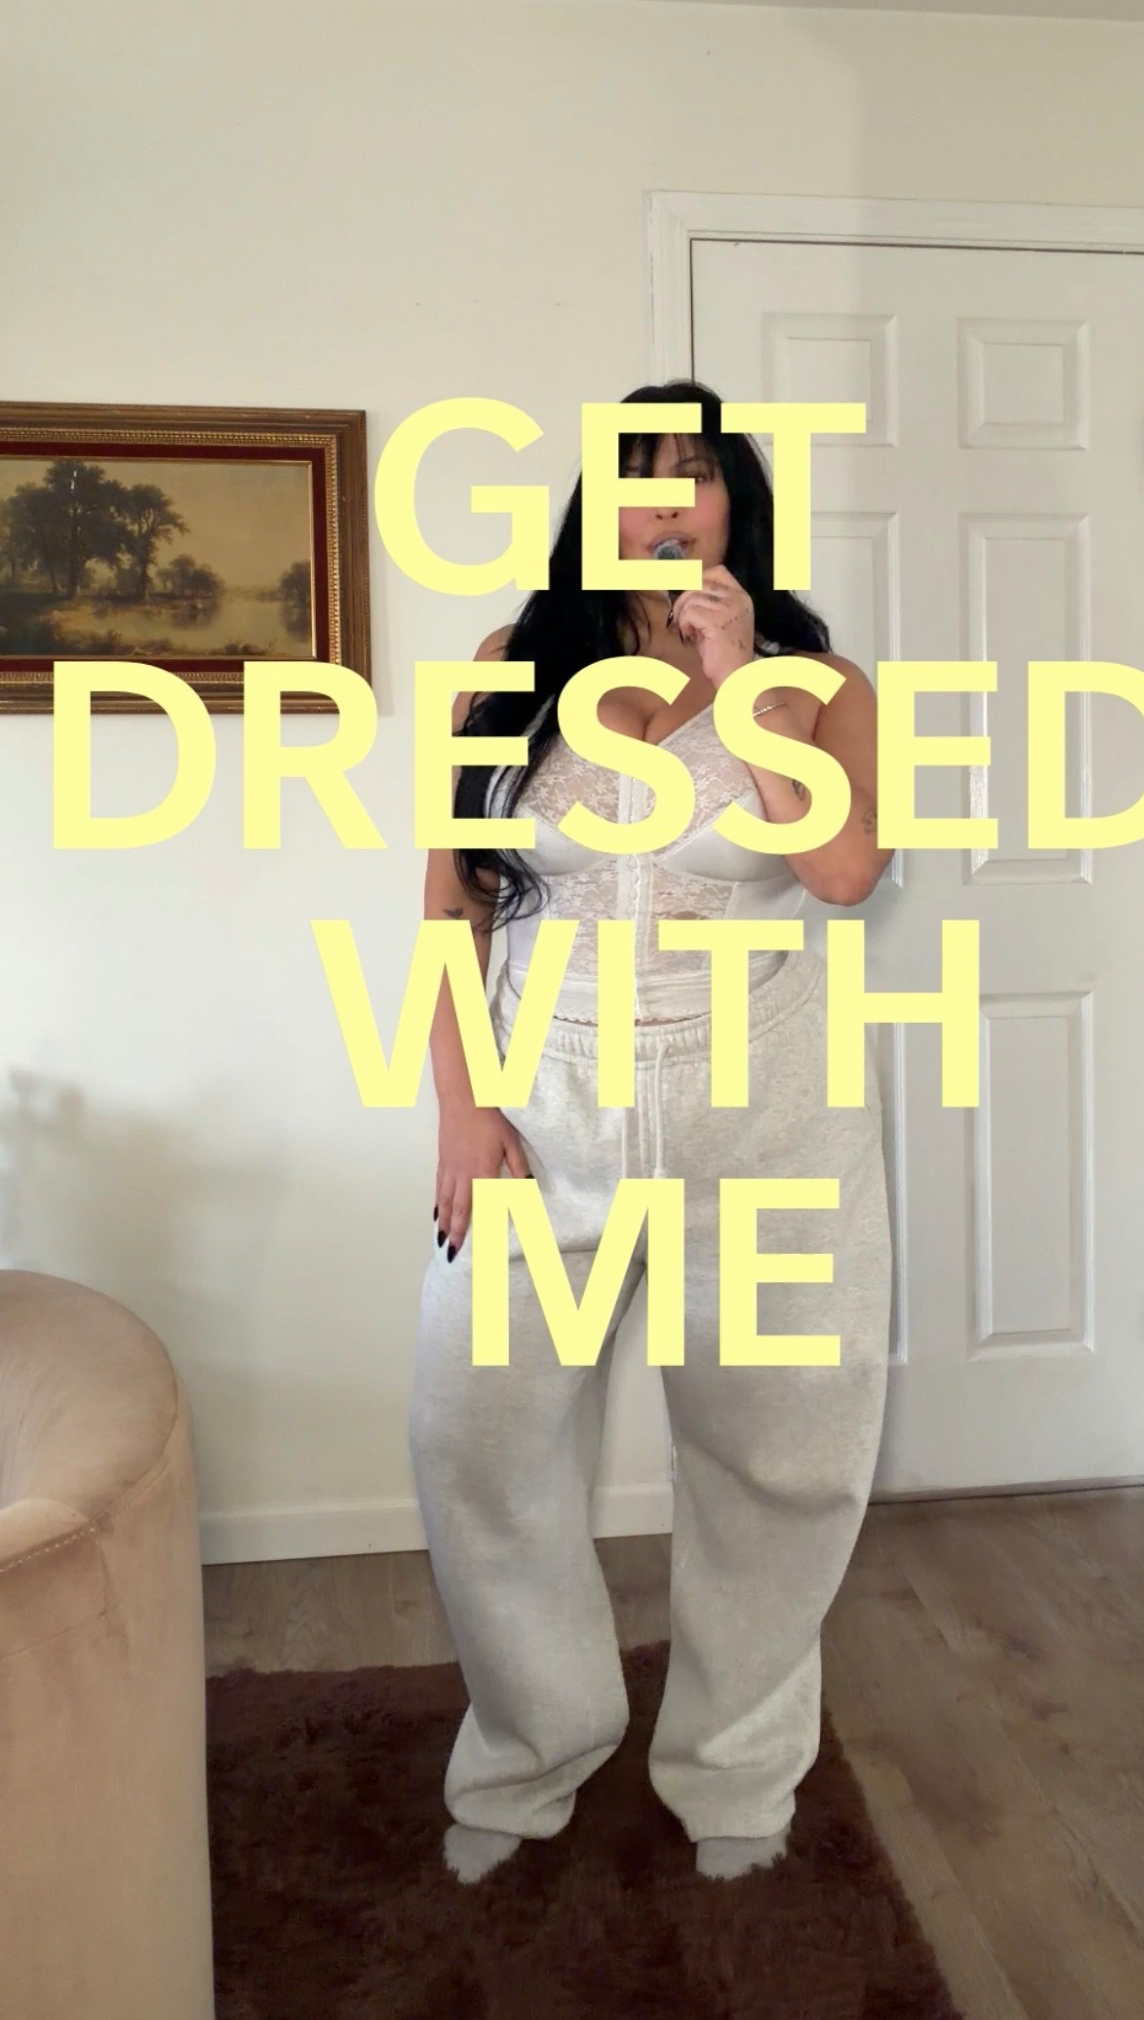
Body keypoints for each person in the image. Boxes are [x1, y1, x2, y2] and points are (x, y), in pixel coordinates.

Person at [409, 379, 894, 1886]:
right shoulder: (510, 662)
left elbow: (843, 872)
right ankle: (531, 1744)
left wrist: (743, 678)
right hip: (543, 1107)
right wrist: (462, 1109)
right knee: (476, 1435)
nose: (664, 501)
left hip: (768, 1115)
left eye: (692, 474)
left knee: (778, 1450)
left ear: (735, 502)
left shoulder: (817, 682)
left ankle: (736, 1763)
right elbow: (450, 906)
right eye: (636, 475)